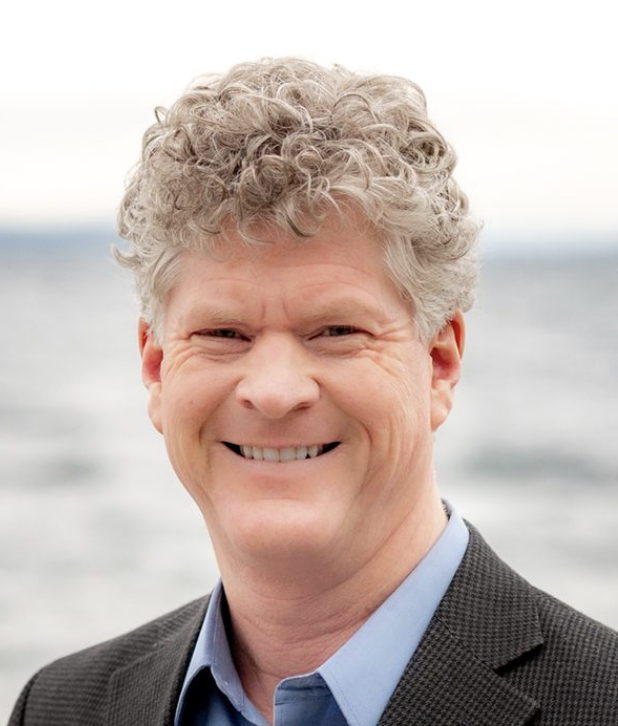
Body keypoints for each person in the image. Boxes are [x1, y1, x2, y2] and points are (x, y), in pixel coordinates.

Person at [9, 58, 617, 726]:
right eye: (223, 333)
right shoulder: (60, 707)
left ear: (439, 362)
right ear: (156, 366)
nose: (275, 392)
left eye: (336, 331)